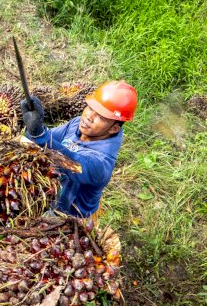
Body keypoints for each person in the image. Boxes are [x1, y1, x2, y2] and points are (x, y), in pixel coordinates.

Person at [20, 80, 138, 219]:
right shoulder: (77, 123)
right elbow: (47, 139)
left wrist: (39, 135)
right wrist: (35, 130)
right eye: (90, 108)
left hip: (68, 217)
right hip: (51, 193)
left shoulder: (101, 163)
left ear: (114, 128)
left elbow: (71, 163)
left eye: (100, 116)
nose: (89, 117)